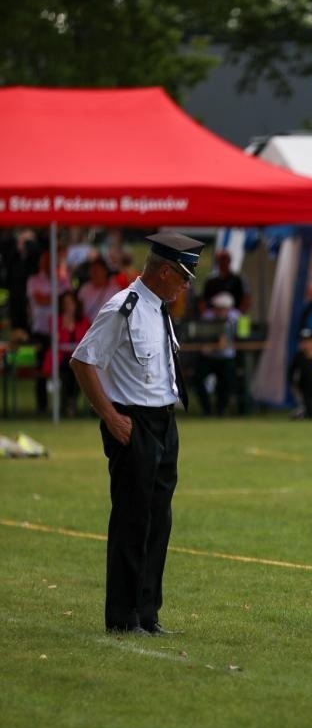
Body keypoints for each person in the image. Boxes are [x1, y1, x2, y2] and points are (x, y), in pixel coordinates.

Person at [70, 230, 204, 635]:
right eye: (182, 276)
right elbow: (83, 361)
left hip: (164, 420)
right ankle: (123, 617)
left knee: (158, 520)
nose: (185, 285)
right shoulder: (122, 308)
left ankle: (148, 612)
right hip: (134, 421)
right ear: (163, 271)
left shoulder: (160, 309)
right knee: (132, 520)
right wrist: (110, 416)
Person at [26, 247, 71, 414]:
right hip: (42, 331)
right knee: (41, 370)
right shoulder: (33, 280)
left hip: (61, 331)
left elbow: (68, 299)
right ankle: (42, 406)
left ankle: (66, 404)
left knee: (66, 367)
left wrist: (57, 295)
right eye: (45, 261)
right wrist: (58, 296)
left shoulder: (63, 279)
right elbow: (42, 300)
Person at [41, 290, 90, 417]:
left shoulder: (84, 321)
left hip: (78, 357)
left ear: (76, 304)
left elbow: (85, 341)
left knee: (77, 368)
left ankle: (69, 400)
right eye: (65, 303)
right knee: (71, 368)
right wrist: (64, 325)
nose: (68, 306)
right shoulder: (55, 321)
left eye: (70, 303)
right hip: (60, 357)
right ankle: (70, 401)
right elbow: (56, 342)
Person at [194, 291, 241, 417]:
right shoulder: (207, 317)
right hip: (208, 357)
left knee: (226, 382)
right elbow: (200, 337)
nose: (220, 312)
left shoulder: (236, 317)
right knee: (198, 379)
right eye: (218, 309)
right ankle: (207, 409)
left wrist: (227, 341)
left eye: (223, 309)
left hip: (226, 357)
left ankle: (220, 410)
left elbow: (243, 335)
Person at [202, 248, 251, 315]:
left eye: (225, 259)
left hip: (233, 312)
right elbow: (203, 300)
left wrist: (241, 311)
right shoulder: (210, 280)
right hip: (214, 312)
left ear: (229, 261)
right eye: (220, 260)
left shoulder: (238, 279)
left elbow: (246, 298)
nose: (222, 262)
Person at [78, 257, 118, 323]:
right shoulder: (84, 289)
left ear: (105, 271)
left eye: (97, 271)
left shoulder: (114, 289)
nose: (95, 274)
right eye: (92, 271)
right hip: (88, 328)